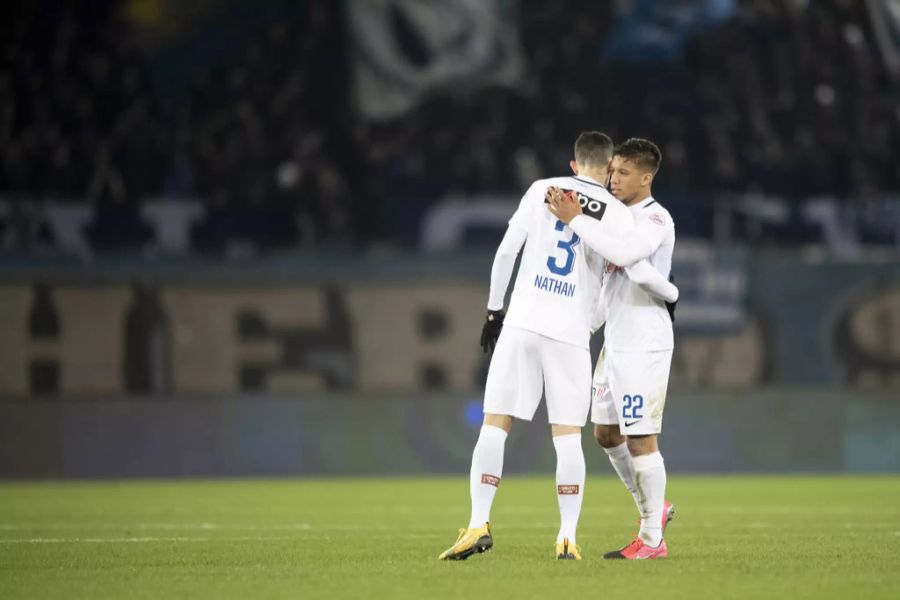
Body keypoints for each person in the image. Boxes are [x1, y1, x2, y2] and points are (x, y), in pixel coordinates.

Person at [438, 132, 675, 561]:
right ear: (607, 170)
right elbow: (619, 271)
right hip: (570, 334)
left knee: (494, 424)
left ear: (573, 164)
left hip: (523, 323)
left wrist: (494, 311)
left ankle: (478, 523)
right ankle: (567, 537)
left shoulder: (539, 190)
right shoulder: (619, 214)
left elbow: (506, 252)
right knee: (569, 436)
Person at [547, 138, 676, 560]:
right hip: (616, 342)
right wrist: (581, 330)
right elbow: (608, 287)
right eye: (612, 170)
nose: (613, 178)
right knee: (605, 433)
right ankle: (656, 508)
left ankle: (653, 539)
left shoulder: (655, 219)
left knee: (641, 439)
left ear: (645, 177)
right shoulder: (615, 217)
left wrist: (576, 219)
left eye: (622, 173)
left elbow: (625, 254)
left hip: (644, 343)